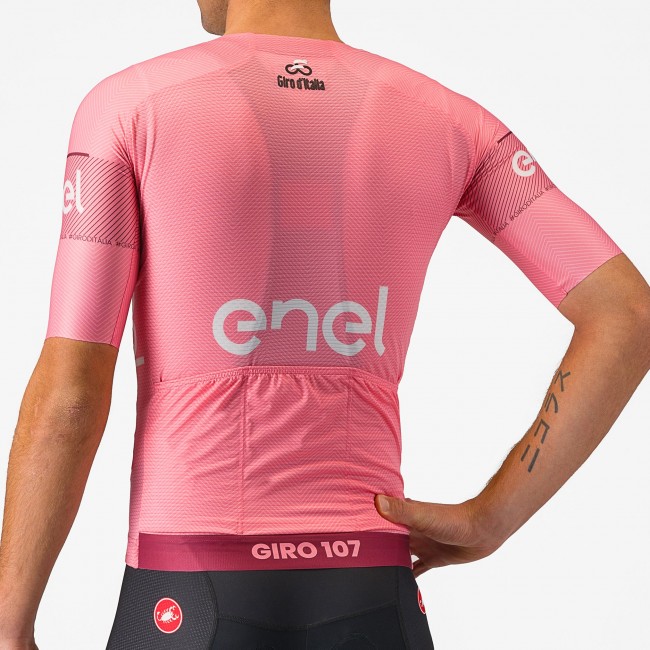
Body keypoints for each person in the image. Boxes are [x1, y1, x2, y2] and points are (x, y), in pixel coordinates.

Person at [1, 0, 649, 648]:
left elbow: (70, 397)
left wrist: (10, 624)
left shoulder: (129, 106)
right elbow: (628, 314)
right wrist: (493, 518)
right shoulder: (455, 123)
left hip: (187, 585)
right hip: (371, 585)